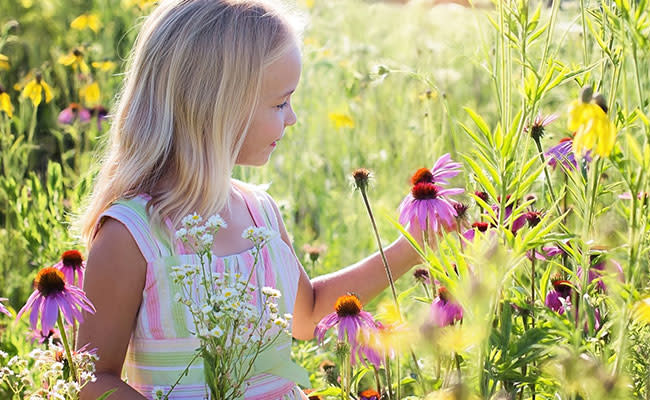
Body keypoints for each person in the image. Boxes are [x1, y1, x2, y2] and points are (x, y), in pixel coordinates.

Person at [76, 1, 423, 398]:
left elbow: (307, 314)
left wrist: (412, 246)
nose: (292, 118)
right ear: (215, 106)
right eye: (280, 103)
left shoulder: (260, 213)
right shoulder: (132, 235)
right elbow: (93, 379)